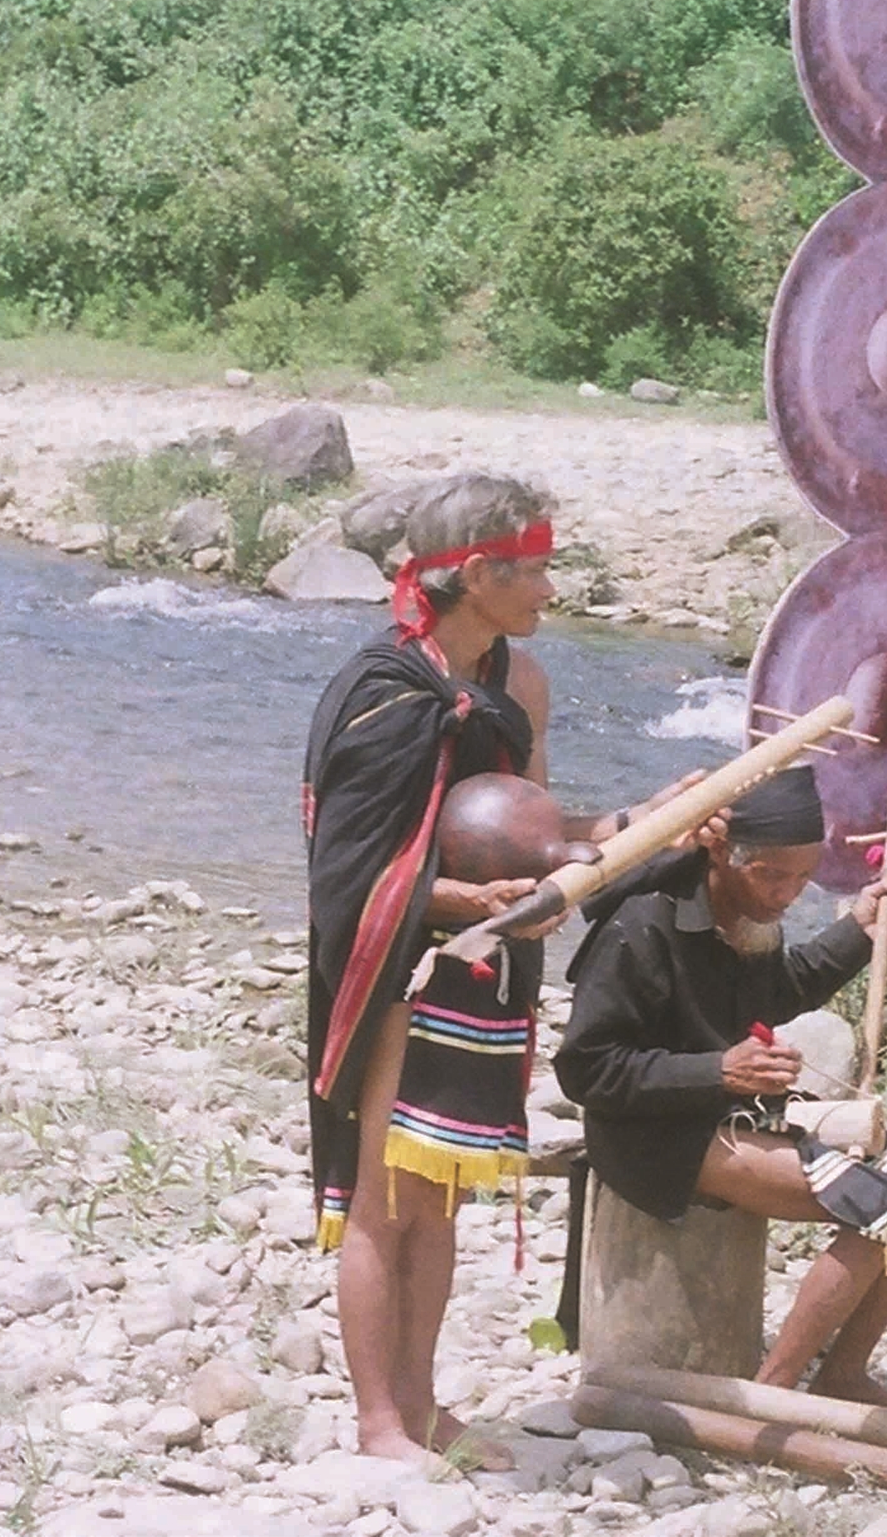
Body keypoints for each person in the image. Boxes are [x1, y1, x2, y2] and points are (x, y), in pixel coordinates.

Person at [556, 767, 887, 1402]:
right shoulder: (639, 925)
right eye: (772, 876)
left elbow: (781, 989)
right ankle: (771, 1393)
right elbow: (586, 1069)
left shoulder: (747, 918)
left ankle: (842, 1374)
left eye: (802, 879)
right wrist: (717, 1070)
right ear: (719, 849)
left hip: (722, 1111)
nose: (785, 895)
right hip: (651, 1134)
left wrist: (860, 927)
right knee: (880, 1210)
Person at [303, 473, 559, 1468]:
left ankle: (423, 1403)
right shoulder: (384, 688)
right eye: (534, 566)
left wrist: (622, 836)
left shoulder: (521, 682)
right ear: (481, 572)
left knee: (440, 1192)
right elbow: (351, 871)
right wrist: (458, 905)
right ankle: (377, 1424)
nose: (548, 585)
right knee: (384, 1190)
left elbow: (533, 830)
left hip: (484, 969)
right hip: (397, 964)